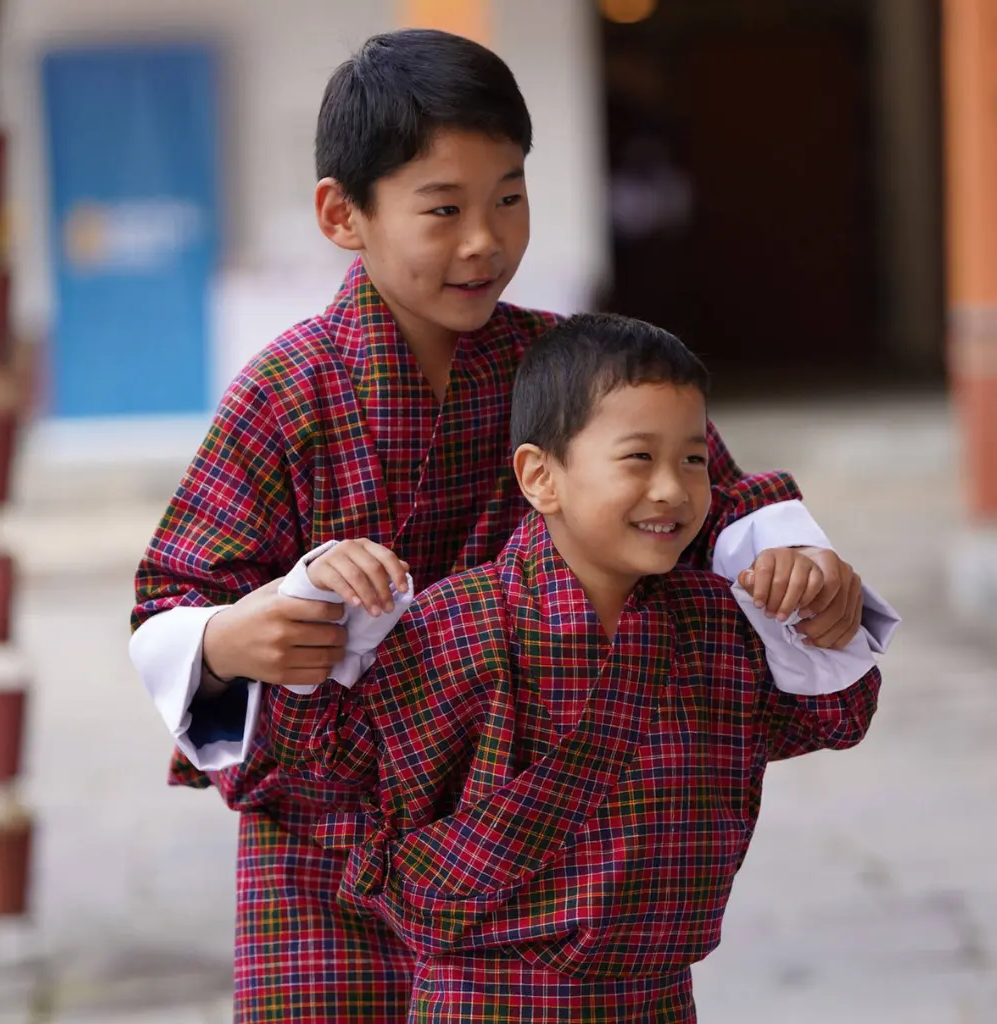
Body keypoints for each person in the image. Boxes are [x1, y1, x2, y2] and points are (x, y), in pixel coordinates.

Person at [129, 30, 897, 1024]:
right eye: (443, 209)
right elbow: (174, 599)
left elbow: (713, 499)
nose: (484, 239)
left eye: (509, 196)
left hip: (527, 837)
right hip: (325, 844)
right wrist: (233, 638)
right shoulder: (289, 393)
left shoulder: (568, 366)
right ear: (342, 214)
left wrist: (796, 566)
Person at [265, 314, 885, 1023]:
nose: (672, 490)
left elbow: (833, 718)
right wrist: (320, 603)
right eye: (637, 458)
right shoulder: (459, 622)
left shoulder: (717, 620)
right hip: (487, 1000)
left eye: (691, 460)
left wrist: (811, 609)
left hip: (655, 999)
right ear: (541, 477)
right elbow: (331, 769)